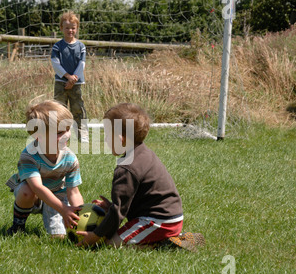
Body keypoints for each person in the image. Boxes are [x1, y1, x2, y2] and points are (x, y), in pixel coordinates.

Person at [76, 103, 205, 251]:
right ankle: (166, 238)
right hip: (169, 218)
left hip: (158, 222)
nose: (105, 140)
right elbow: (130, 201)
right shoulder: (143, 152)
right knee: (112, 239)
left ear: (120, 139)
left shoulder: (127, 168)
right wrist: (112, 206)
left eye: (107, 135)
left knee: (108, 244)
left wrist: (96, 235)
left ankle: (166, 244)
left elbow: (118, 213)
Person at [5, 100, 84, 238]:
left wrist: (80, 215)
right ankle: (17, 227)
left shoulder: (70, 158)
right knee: (26, 190)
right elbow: (37, 188)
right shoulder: (29, 156)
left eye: (67, 129)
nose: (66, 135)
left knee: (59, 237)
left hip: (57, 195)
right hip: (34, 194)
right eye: (59, 132)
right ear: (38, 136)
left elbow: (74, 193)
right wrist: (63, 209)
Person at [51, 11, 89, 143]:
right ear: (61, 28)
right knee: (59, 109)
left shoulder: (81, 46)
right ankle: (58, 135)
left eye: (73, 28)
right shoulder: (57, 46)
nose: (70, 30)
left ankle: (83, 135)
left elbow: (81, 64)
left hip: (77, 83)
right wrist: (67, 77)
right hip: (61, 82)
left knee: (78, 108)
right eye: (67, 28)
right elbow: (55, 64)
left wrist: (73, 80)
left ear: (77, 28)